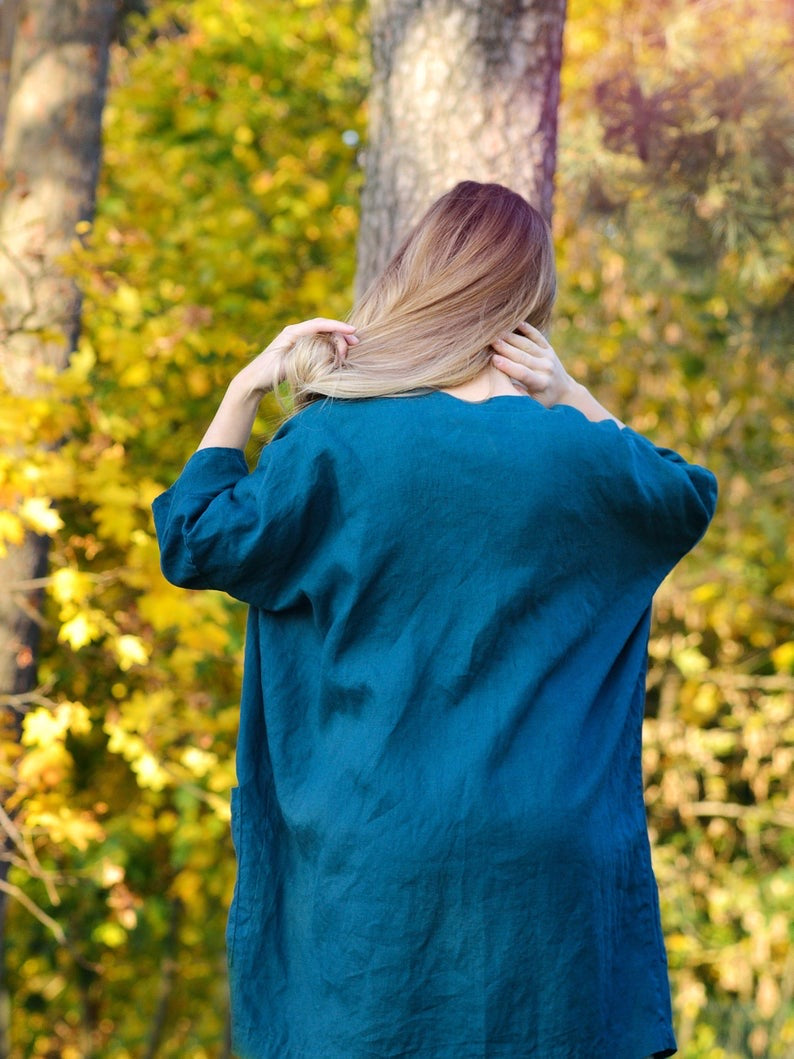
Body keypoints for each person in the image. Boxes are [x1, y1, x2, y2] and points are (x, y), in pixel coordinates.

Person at [153, 181, 717, 1059]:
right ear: (528, 303)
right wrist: (573, 396)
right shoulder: (575, 457)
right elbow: (682, 499)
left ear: (418, 278)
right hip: (546, 861)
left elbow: (196, 539)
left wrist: (247, 385)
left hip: (375, 860)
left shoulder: (333, 443)